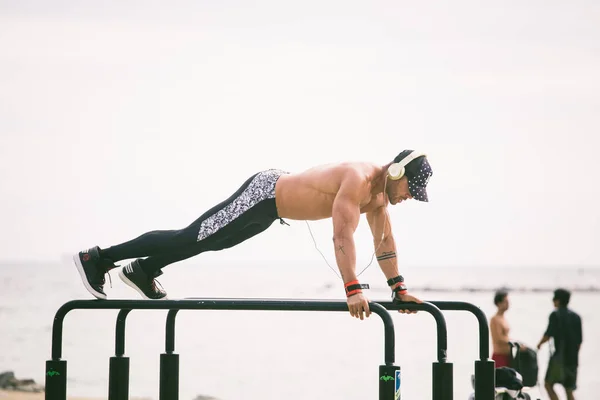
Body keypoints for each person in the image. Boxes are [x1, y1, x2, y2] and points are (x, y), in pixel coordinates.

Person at [73, 150, 432, 318]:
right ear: (396, 171)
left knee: (209, 243)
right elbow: (342, 237)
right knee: (192, 237)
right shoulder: (359, 179)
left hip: (273, 210)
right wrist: (352, 289)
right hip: (264, 193)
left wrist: (399, 289)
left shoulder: (380, 199)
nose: (408, 198)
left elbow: (384, 243)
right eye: (409, 191)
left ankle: (143, 270)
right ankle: (98, 257)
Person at [537, 288, 583, 400]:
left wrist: (539, 345)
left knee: (548, 384)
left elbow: (548, 334)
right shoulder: (577, 317)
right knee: (569, 389)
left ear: (558, 300)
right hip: (573, 359)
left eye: (554, 298)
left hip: (559, 359)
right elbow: (579, 341)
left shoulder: (555, 315)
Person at [490, 290, 527, 368]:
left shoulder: (503, 318)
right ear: (499, 303)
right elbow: (498, 338)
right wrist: (516, 344)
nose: (508, 304)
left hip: (508, 355)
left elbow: (505, 337)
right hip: (499, 356)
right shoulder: (495, 319)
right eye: (505, 302)